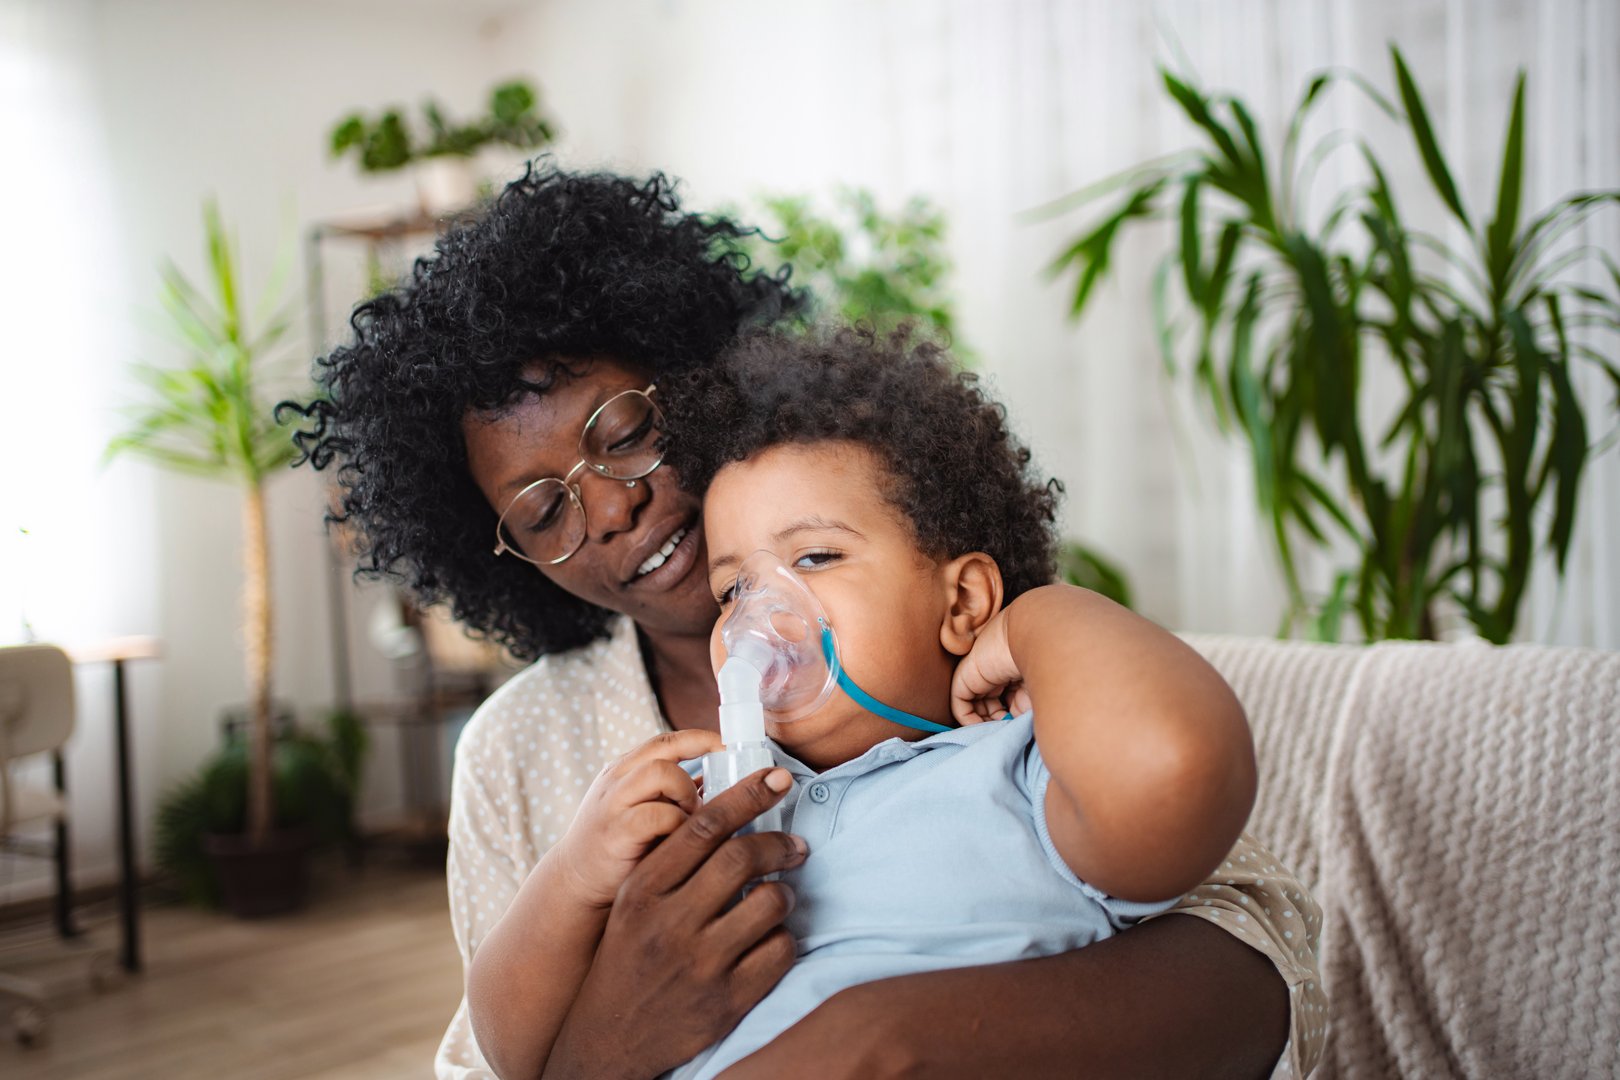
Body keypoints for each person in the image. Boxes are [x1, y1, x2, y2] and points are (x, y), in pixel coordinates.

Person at [284, 163, 1326, 1079]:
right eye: (544, 508)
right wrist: (606, 992)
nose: (609, 506)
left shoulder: (1012, 720)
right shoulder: (582, 773)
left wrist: (885, 1043)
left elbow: (1243, 929)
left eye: (627, 431)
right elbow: (502, 1055)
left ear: (696, 385)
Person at [466, 326, 1294, 1080]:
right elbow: (514, 1050)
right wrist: (574, 877)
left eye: (817, 556)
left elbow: (1177, 767)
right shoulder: (700, 809)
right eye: (734, 589)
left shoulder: (1022, 771)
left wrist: (1042, 620)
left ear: (964, 601)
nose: (761, 614)